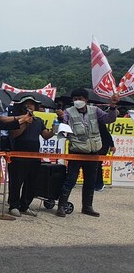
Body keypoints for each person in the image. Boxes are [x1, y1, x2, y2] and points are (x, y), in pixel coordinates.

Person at [55, 88, 118, 217]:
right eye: (75, 99)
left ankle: (87, 207)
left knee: (90, 180)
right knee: (71, 179)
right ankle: (61, 206)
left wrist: (112, 107)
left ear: (86, 100)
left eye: (80, 98)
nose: (78, 101)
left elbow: (109, 119)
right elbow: (64, 122)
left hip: (93, 152)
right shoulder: (68, 112)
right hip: (76, 151)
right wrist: (61, 117)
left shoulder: (95, 111)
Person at [7, 96, 53, 217]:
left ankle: (25, 205)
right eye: (26, 104)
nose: (29, 106)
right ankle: (14, 205)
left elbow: (45, 135)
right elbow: (13, 134)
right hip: (18, 156)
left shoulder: (38, 121)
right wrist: (24, 122)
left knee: (31, 182)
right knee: (16, 182)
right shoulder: (16, 120)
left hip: (34, 156)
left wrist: (54, 130)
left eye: (31, 104)